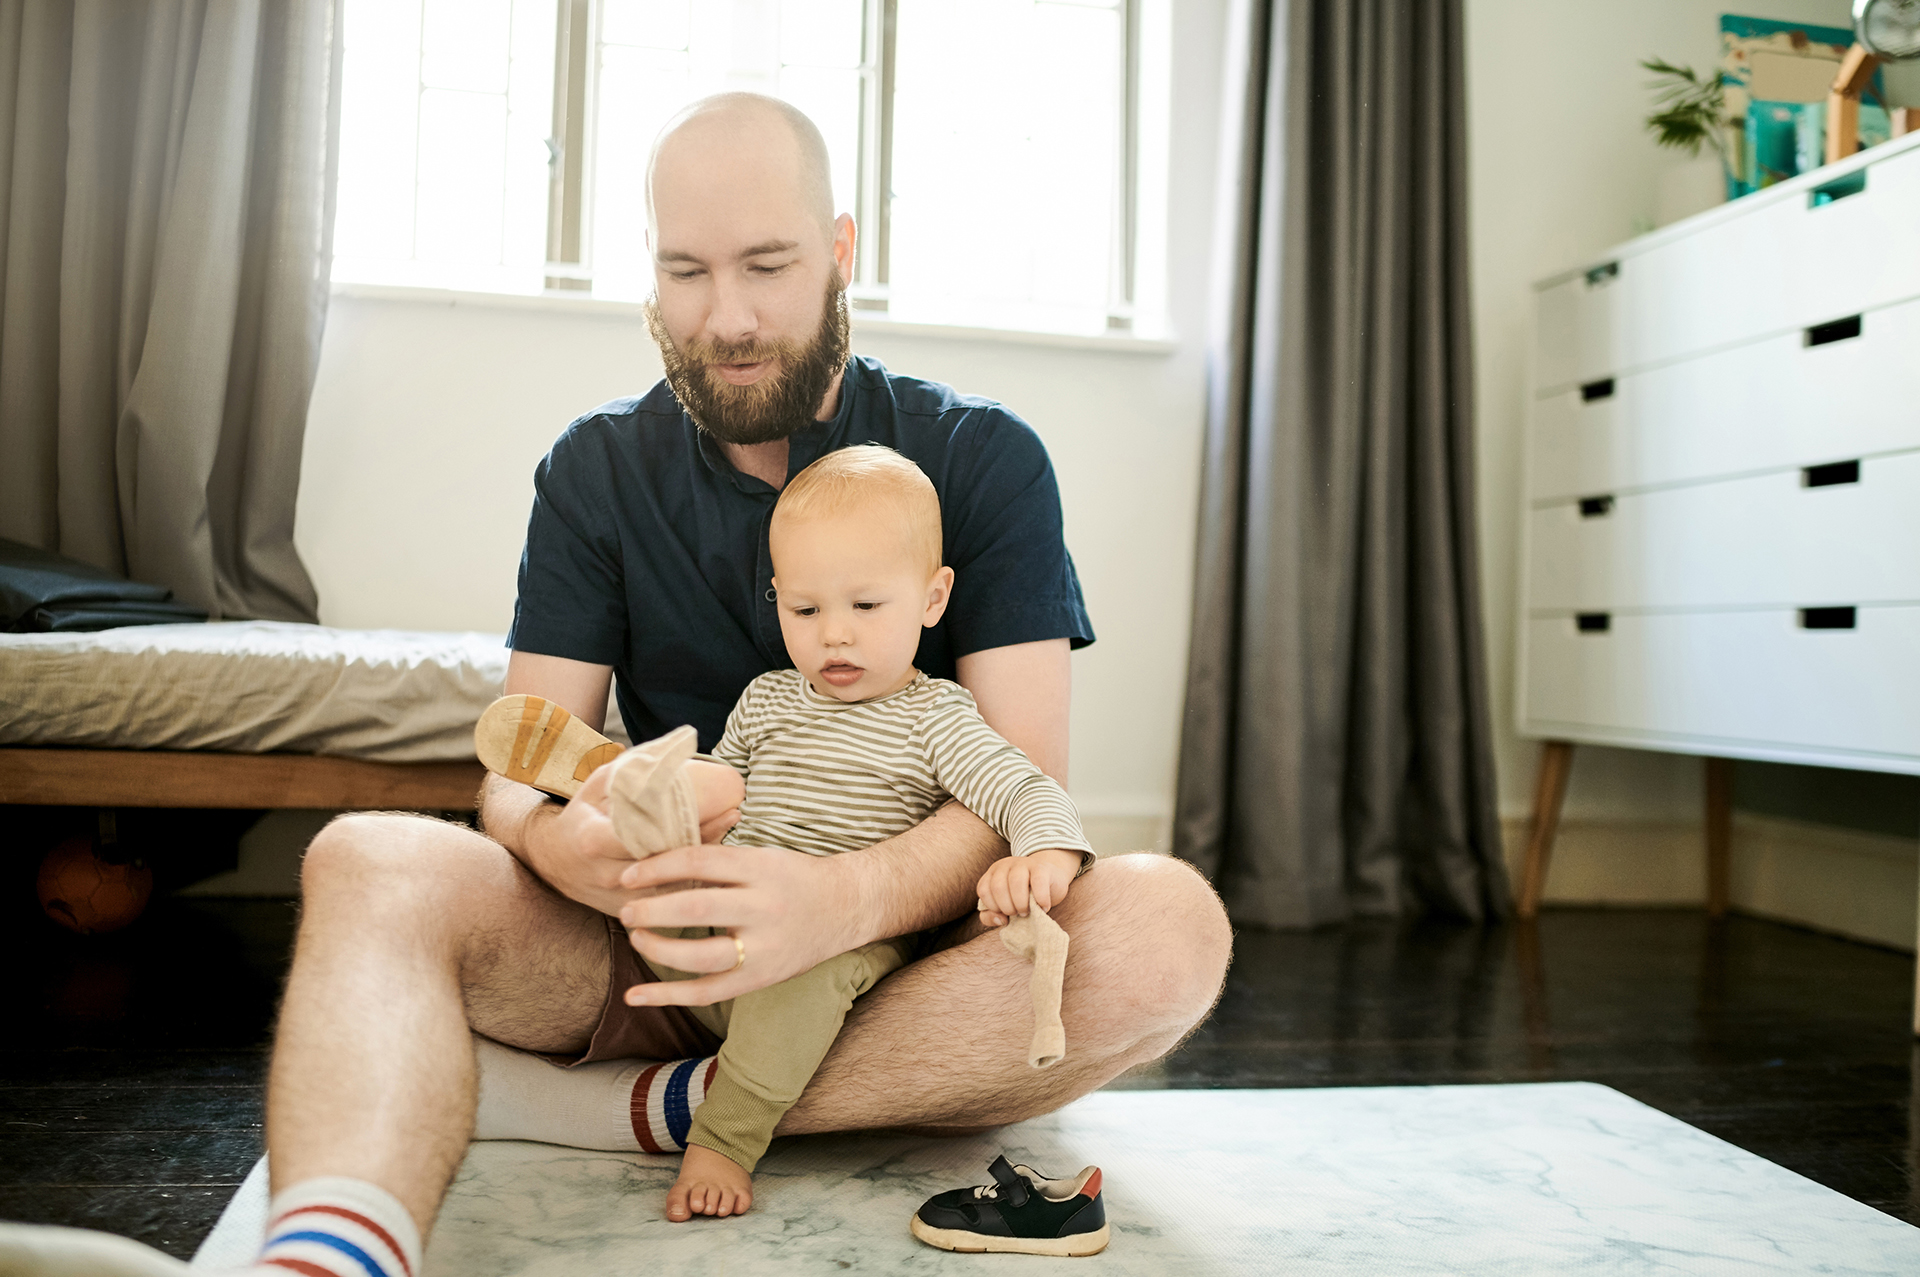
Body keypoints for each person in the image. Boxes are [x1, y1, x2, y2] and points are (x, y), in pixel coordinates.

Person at [0, 91, 1232, 1277]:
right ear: (650, 273)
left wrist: (835, 901)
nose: (728, 316)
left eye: (766, 263)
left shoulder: (981, 454)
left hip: (905, 979)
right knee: (368, 856)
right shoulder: (593, 470)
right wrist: (560, 841)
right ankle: (331, 1253)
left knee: (1168, 925)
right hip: (647, 960)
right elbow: (518, 772)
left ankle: (630, 1111)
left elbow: (1023, 781)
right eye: (686, 271)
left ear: (841, 249)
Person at [480, 444, 1097, 1222]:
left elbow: (1025, 786)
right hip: (729, 902)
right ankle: (616, 785)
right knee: (664, 838)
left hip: (837, 941)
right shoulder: (767, 698)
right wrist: (685, 801)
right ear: (775, 599)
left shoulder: (937, 718)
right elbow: (729, 787)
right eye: (804, 610)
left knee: (801, 979)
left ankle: (723, 1136)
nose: (833, 635)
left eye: (866, 607)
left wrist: (1045, 850)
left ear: (933, 598)